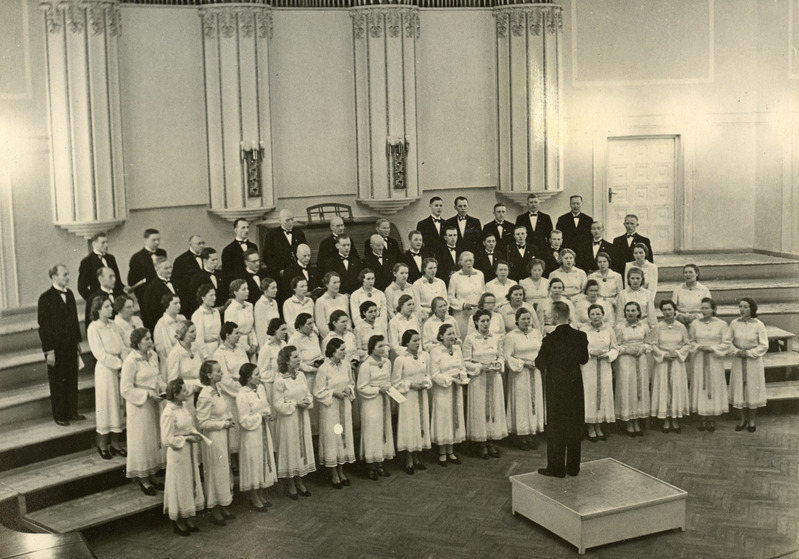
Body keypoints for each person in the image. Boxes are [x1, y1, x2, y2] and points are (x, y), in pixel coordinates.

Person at [535, 301, 589, 478]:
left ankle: (556, 468)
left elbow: (539, 363)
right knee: (574, 423)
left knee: (556, 426)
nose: (549, 316)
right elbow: (584, 359)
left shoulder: (549, 339)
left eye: (551, 314)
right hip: (575, 386)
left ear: (556, 316)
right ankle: (573, 467)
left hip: (556, 387)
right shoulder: (580, 336)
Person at [120, 328, 165, 495]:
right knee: (141, 440)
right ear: (137, 343)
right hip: (139, 406)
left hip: (154, 403)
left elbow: (157, 377)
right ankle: (143, 479)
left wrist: (163, 389)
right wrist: (147, 394)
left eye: (150, 338)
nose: (150, 341)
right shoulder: (130, 361)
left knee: (152, 439)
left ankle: (152, 474)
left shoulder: (152, 355)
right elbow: (125, 389)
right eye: (146, 339)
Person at [38, 264, 83, 426]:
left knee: (71, 378)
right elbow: (44, 327)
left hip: (70, 346)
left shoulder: (69, 294)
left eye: (68, 274)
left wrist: (77, 342)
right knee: (58, 381)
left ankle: (72, 411)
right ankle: (59, 414)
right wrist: (49, 351)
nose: (68, 277)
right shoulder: (45, 298)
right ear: (54, 277)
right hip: (56, 348)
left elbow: (74, 320)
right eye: (65, 274)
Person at [160, 378, 204, 536]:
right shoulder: (168, 413)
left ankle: (186, 516)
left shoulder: (183, 407)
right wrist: (186, 439)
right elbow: (167, 440)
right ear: (176, 395)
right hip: (177, 454)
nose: (187, 392)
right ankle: (177, 520)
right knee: (179, 485)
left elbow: (188, 426)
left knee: (188, 483)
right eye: (184, 391)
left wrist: (195, 434)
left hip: (188, 452)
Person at [463, 309, 507, 459]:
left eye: (488, 320)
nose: (486, 323)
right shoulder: (470, 339)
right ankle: (481, 443)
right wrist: (481, 367)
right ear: (476, 322)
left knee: (495, 407)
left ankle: (491, 441)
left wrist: (497, 364)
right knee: (480, 409)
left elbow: (501, 356)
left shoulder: (496, 337)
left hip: (494, 377)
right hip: (479, 378)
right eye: (482, 321)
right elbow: (465, 361)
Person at [196, 360, 236, 524]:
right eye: (218, 371)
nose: (222, 373)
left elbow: (221, 410)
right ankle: (214, 508)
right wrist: (223, 424)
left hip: (222, 436)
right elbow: (202, 423)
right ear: (209, 375)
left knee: (224, 471)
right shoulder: (205, 395)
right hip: (213, 439)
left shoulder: (216, 389)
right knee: (215, 472)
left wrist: (228, 418)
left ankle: (223, 503)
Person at [87, 296, 128, 458]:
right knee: (107, 406)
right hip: (106, 370)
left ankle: (116, 443)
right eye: (106, 306)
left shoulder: (113, 324)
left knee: (118, 406)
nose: (111, 309)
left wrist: (125, 363)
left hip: (119, 368)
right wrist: (119, 364)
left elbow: (122, 346)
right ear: (98, 309)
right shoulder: (94, 327)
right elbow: (100, 353)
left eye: (110, 306)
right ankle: (103, 444)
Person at [273, 345, 315, 498]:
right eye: (295, 357)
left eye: (299, 356)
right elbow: (277, 404)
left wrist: (307, 401)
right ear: (286, 360)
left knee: (301, 447)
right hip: (288, 420)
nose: (299, 359)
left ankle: (300, 480)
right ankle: (291, 483)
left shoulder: (301, 375)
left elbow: (308, 394)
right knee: (291, 449)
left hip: (302, 417)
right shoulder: (279, 380)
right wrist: (296, 404)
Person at [313, 338, 356, 488]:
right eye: (341, 350)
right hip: (330, 408)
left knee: (343, 436)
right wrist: (334, 393)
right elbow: (318, 392)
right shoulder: (324, 369)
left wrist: (348, 389)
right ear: (332, 351)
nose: (345, 352)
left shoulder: (346, 365)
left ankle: (341, 471)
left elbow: (351, 382)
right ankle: (333, 473)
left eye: (345, 349)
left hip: (344, 406)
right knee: (333, 438)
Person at [236, 363, 277, 511]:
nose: (260, 377)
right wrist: (260, 416)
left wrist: (267, 414)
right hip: (251, 435)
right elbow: (243, 420)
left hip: (263, 431)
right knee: (253, 463)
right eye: (257, 374)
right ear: (248, 378)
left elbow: (265, 405)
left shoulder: (260, 388)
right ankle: (254, 497)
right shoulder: (242, 395)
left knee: (262, 461)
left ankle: (261, 494)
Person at [503, 307, 544, 450]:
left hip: (535, 371)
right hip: (519, 373)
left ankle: (531, 432)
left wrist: (538, 362)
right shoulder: (511, 336)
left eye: (528, 319)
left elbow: (542, 351)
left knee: (534, 401)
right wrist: (524, 363)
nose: (526, 321)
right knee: (521, 403)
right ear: (517, 320)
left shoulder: (536, 333)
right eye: (523, 319)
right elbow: (507, 357)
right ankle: (521, 435)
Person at [429, 324, 469, 466]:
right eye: (449, 334)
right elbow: (434, 374)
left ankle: (451, 451)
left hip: (456, 389)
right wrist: (450, 379)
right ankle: (442, 452)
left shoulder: (457, 349)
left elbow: (463, 367)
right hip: (443, 390)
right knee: (443, 418)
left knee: (454, 417)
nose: (453, 336)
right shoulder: (435, 351)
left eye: (454, 334)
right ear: (441, 336)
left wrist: (461, 376)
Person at [392, 330, 432, 474]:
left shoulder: (424, 356)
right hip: (408, 397)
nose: (417, 343)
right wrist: (410, 385)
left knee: (420, 424)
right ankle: (408, 460)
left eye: (418, 340)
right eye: (414, 340)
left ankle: (416, 458)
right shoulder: (400, 359)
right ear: (406, 342)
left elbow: (428, 374)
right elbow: (395, 382)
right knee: (410, 426)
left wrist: (425, 382)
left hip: (422, 394)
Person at [357, 335, 396, 479]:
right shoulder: (366, 365)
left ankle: (380, 463)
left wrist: (387, 387)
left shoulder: (387, 362)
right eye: (379, 346)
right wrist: (378, 390)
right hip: (371, 402)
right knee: (372, 431)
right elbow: (361, 387)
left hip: (384, 400)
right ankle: (371, 466)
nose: (383, 349)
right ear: (371, 348)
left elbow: (389, 380)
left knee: (383, 429)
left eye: (384, 346)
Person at [689, 298, 730, 432]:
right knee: (701, 385)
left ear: (713, 309)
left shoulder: (722, 324)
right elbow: (690, 341)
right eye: (702, 308)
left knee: (714, 384)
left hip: (714, 359)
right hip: (700, 358)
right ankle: (703, 418)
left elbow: (726, 342)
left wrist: (712, 348)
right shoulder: (695, 324)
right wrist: (699, 347)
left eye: (707, 308)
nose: (704, 310)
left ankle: (712, 418)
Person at [650, 300, 691, 433]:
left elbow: (687, 344)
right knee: (664, 388)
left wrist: (677, 353)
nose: (667, 312)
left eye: (670, 309)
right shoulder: (658, 327)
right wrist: (663, 355)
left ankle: (675, 419)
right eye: (665, 310)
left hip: (676, 362)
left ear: (675, 311)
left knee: (676, 388)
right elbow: (653, 344)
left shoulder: (681, 327)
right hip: (663, 362)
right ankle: (666, 420)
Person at [728, 297, 768, 432]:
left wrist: (749, 353)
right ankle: (742, 419)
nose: (742, 309)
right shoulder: (734, 323)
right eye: (740, 306)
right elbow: (727, 341)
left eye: (745, 307)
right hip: (738, 359)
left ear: (752, 309)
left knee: (752, 389)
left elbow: (764, 345)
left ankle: (751, 420)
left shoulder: (758, 325)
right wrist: (736, 351)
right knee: (739, 389)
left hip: (753, 362)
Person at [579, 304, 618, 442]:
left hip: (604, 365)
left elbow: (614, 348)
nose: (595, 317)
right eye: (593, 314)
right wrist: (590, 352)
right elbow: (579, 349)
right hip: (589, 366)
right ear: (588, 316)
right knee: (590, 394)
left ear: (603, 315)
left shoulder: (609, 329)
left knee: (604, 393)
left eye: (598, 314)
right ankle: (590, 426)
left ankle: (599, 426)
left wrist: (607, 355)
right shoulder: (583, 330)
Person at [614, 301, 652, 437]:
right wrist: (626, 350)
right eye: (628, 311)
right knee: (627, 388)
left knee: (639, 387)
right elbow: (615, 345)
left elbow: (650, 343)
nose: (630, 313)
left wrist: (642, 348)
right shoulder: (620, 327)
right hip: (625, 360)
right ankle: (629, 422)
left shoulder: (644, 326)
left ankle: (637, 421)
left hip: (640, 359)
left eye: (633, 310)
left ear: (638, 312)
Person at [213, 322, 249, 456]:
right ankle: (233, 457)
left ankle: (244, 455)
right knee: (233, 425)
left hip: (244, 389)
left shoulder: (240, 348)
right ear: (227, 335)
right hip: (229, 394)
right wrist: (239, 387)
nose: (239, 336)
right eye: (236, 333)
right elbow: (224, 378)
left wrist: (246, 384)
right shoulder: (219, 353)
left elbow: (247, 367)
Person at [166, 320, 203, 420]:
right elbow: (172, 382)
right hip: (186, 396)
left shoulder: (196, 347)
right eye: (191, 332)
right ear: (183, 334)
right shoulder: (175, 353)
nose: (195, 334)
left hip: (200, 393)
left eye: (195, 330)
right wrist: (193, 387)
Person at [447, 251, 485, 339]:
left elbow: (483, 292)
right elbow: (450, 297)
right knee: (463, 337)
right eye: (466, 261)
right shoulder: (455, 276)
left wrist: (481, 304)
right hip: (461, 314)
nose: (468, 263)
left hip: (477, 312)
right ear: (460, 262)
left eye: (470, 260)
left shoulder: (480, 274)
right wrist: (463, 305)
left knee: (477, 337)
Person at [78, 232, 124, 301]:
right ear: (94, 244)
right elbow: (82, 287)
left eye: (107, 242)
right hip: (99, 301)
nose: (106, 245)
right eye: (103, 243)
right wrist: (93, 300)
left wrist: (123, 288)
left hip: (114, 299)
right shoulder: (87, 261)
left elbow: (118, 280)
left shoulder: (111, 258)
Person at [264, 209, 307, 278]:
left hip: (299, 272)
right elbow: (267, 257)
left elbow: (305, 251)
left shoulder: (299, 233)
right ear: (280, 221)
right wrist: (279, 271)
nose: (291, 222)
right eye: (287, 220)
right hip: (281, 274)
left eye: (292, 219)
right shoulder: (272, 235)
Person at [223, 279, 258, 360]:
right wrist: (246, 348)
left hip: (251, 341)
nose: (247, 291)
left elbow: (251, 327)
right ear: (235, 292)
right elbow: (231, 333)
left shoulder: (249, 305)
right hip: (238, 344)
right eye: (243, 289)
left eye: (247, 288)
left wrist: (254, 343)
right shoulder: (230, 310)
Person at [141, 256, 179, 332]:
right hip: (165, 327)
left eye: (170, 267)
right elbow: (151, 315)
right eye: (166, 268)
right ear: (156, 269)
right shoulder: (151, 288)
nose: (169, 271)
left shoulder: (176, 281)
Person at [128, 228, 167, 301]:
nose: (157, 242)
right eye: (153, 240)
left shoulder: (162, 253)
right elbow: (132, 281)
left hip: (162, 293)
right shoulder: (137, 257)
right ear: (145, 240)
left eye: (158, 239)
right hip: (146, 295)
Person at [256, 317, 288, 405]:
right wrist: (278, 375)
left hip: (285, 384)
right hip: (271, 387)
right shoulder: (266, 349)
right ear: (274, 330)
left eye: (286, 329)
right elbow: (262, 373)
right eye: (282, 329)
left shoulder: (284, 344)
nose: (285, 332)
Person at [153, 294, 185, 379]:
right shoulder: (161, 324)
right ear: (167, 305)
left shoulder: (182, 318)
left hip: (185, 359)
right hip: (171, 363)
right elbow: (164, 351)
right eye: (175, 303)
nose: (179, 305)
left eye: (179, 302)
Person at [187, 248, 223, 318]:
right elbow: (194, 299)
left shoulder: (221, 274)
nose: (216, 262)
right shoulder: (197, 278)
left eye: (216, 259)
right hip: (206, 314)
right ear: (205, 261)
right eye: (213, 260)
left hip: (222, 312)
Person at [172, 235, 205, 306]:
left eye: (203, 243)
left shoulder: (206, 257)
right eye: (199, 243)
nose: (202, 246)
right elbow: (176, 282)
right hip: (190, 298)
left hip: (205, 297)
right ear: (191, 244)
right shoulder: (181, 260)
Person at [315, 272, 350, 339]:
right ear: (327, 284)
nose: (337, 285)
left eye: (338, 282)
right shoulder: (320, 301)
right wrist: (335, 336)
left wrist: (346, 334)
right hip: (329, 337)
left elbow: (348, 320)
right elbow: (321, 325)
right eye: (334, 283)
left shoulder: (344, 298)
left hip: (345, 334)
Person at [191, 284, 222, 360]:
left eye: (215, 295)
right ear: (203, 297)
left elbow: (219, 334)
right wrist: (205, 355)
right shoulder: (198, 314)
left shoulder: (216, 312)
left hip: (219, 349)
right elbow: (198, 338)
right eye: (211, 295)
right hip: (207, 350)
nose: (214, 298)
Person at [253, 277, 280, 348]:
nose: (276, 290)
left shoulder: (274, 302)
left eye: (276, 287)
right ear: (265, 290)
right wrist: (266, 346)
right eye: (273, 288)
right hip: (267, 342)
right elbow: (261, 330)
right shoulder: (260, 304)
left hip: (277, 339)